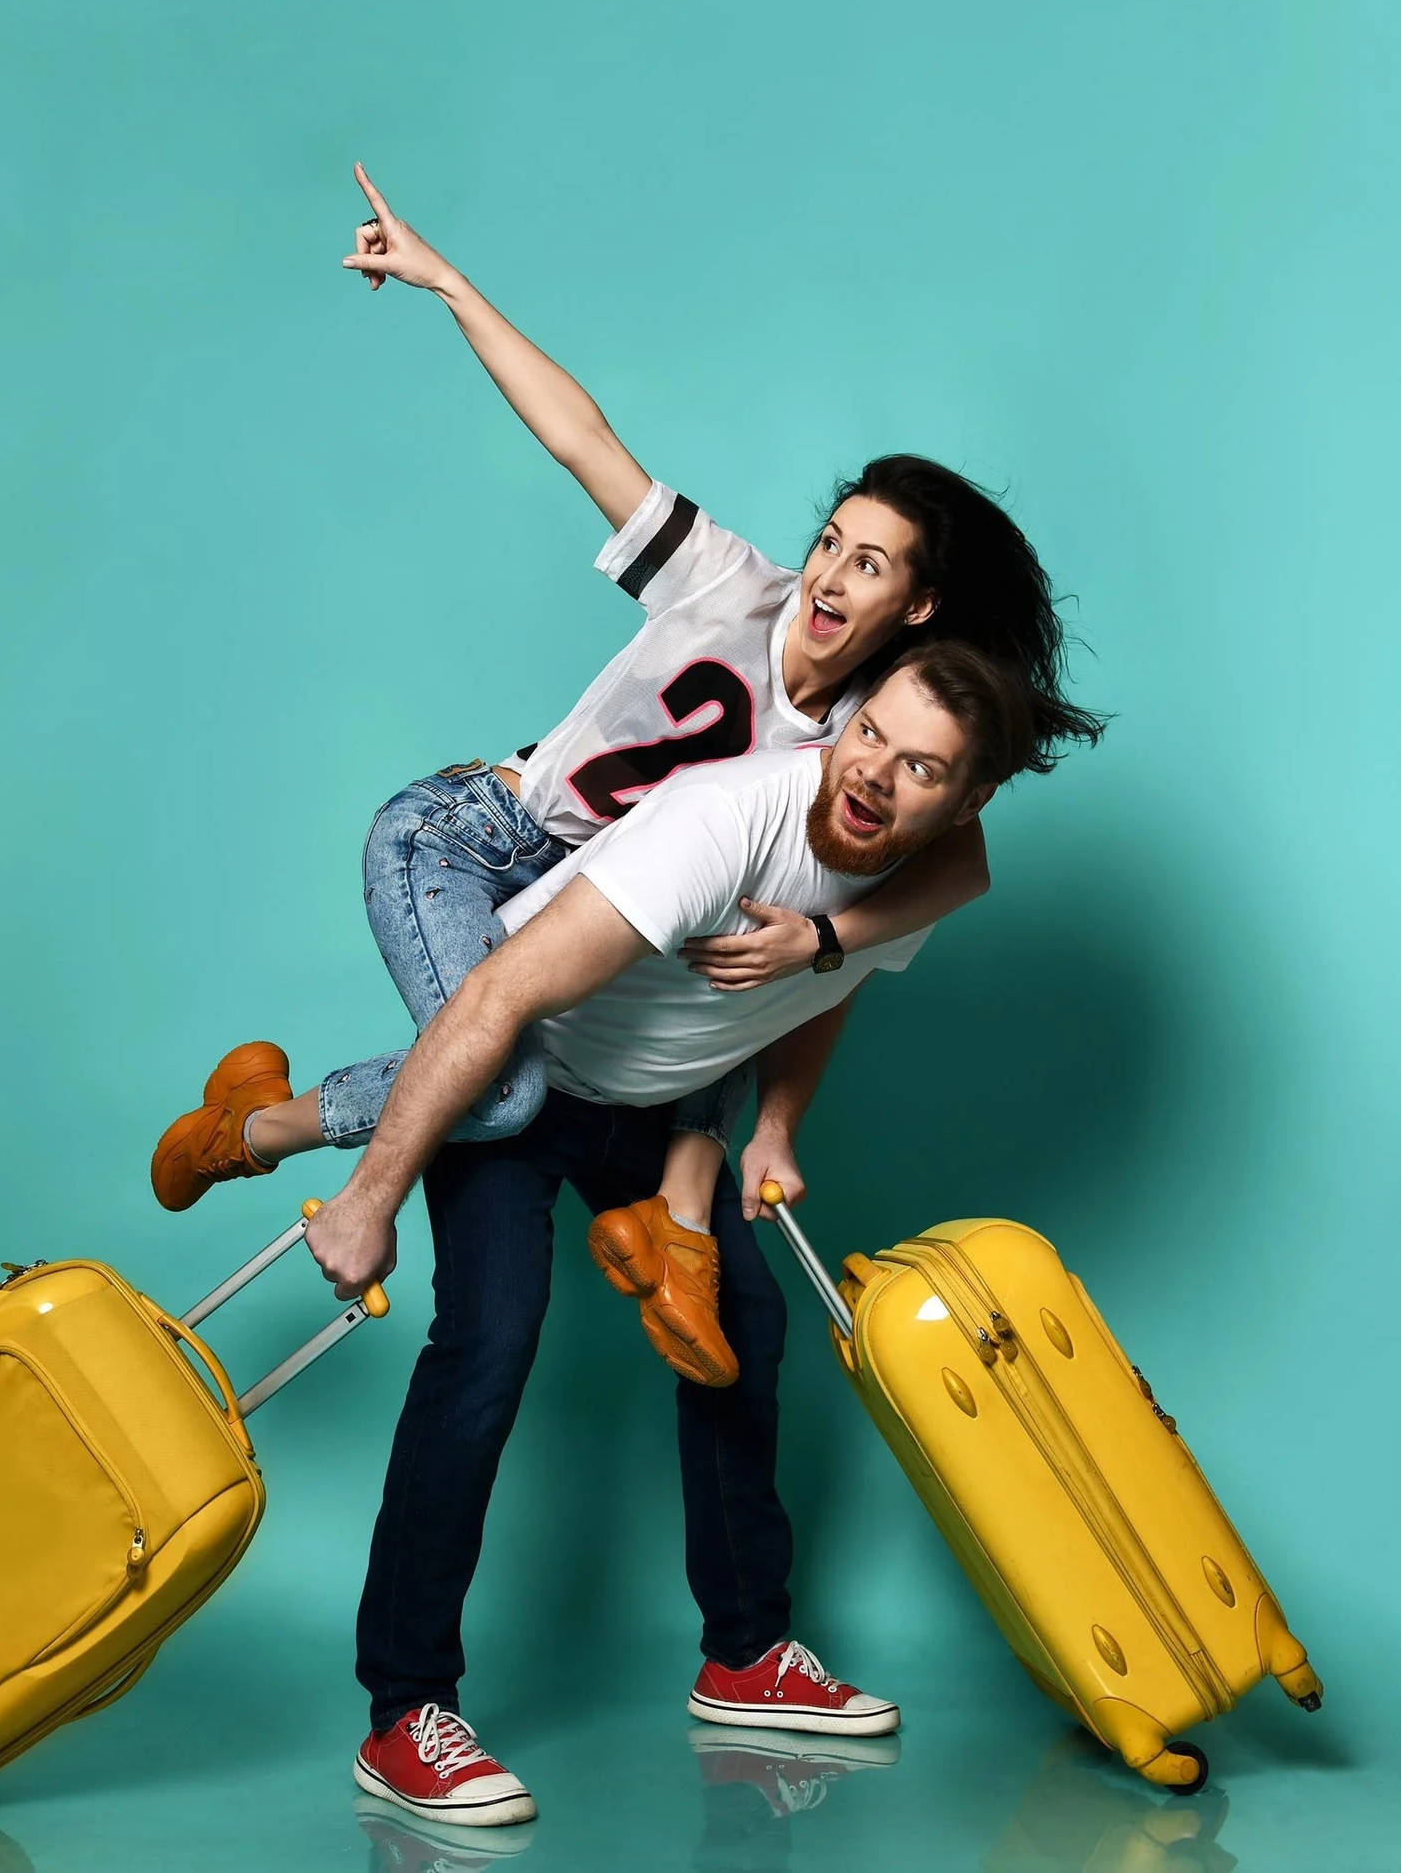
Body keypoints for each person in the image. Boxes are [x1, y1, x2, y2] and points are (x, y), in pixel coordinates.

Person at [150, 163, 1102, 1386]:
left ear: (914, 606)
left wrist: (819, 950)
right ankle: (262, 1125)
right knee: (505, 1090)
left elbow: (962, 857)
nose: (828, 575)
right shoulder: (725, 583)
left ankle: (677, 1229)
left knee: (718, 991)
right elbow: (580, 436)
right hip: (474, 839)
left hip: (609, 904)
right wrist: (444, 281)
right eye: (829, 542)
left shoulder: (880, 732)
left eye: (868, 566)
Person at [301, 643, 1053, 1827]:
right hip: (526, 1091)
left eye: (921, 768)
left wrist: (778, 1129)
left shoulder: (907, 878)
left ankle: (745, 1658)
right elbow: (492, 1002)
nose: (875, 775)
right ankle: (405, 1713)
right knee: (489, 1345)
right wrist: (371, 1198)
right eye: (870, 736)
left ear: (963, 803)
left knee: (743, 1325)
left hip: (658, 1123)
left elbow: (831, 983)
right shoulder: (719, 822)